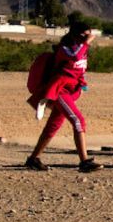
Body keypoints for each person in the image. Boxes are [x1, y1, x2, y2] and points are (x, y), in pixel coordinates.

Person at [25, 20, 103, 172]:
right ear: (77, 35)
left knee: (53, 125)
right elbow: (74, 57)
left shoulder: (81, 49)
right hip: (60, 91)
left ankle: (34, 158)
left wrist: (82, 85)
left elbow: (79, 70)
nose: (88, 38)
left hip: (71, 92)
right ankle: (84, 161)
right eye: (85, 35)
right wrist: (86, 43)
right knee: (78, 120)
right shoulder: (66, 49)